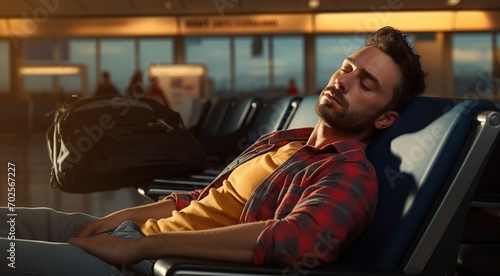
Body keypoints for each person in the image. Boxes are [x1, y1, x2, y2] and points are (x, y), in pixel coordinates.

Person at [0, 26, 426, 276]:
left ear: (385, 119)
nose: (344, 81)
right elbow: (203, 200)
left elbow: (297, 240)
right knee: (19, 220)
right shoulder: (287, 140)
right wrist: (122, 217)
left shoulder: (349, 174)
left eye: (366, 83)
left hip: (152, 263)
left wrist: (138, 249)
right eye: (347, 68)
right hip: (136, 237)